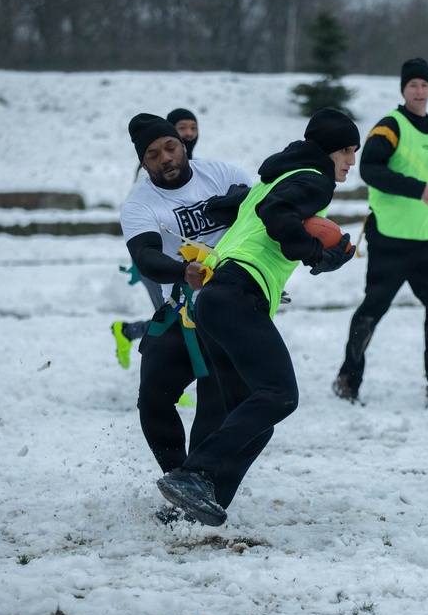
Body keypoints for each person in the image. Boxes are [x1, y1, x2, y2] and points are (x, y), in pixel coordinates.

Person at [156, 108, 359, 526]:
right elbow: (279, 216)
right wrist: (319, 252)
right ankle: (192, 475)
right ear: (327, 150)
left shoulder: (272, 178)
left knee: (254, 419)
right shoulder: (314, 179)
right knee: (279, 395)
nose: (350, 161)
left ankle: (189, 512)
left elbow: (231, 208)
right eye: (346, 150)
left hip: (215, 296)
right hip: (237, 294)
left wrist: (318, 257)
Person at [121, 112, 251, 524]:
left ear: (183, 142)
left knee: (215, 403)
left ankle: (202, 488)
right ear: (143, 163)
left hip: (232, 306)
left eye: (170, 147)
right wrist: (183, 271)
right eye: (153, 154)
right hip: (179, 310)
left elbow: (259, 214)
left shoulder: (223, 173)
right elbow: (144, 256)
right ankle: (181, 482)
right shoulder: (140, 203)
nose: (165, 158)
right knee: (152, 399)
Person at [332, 57, 428, 408]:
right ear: (403, 89)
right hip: (390, 238)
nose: (420, 91)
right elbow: (369, 168)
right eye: (413, 85)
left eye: (425, 85)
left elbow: (424, 174)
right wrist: (415, 189)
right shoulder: (389, 126)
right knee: (373, 309)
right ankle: (347, 379)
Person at [111, 107, 202, 368]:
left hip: (190, 260)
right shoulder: (150, 175)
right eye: (182, 127)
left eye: (193, 127)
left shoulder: (198, 170)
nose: (189, 132)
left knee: (186, 319)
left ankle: (130, 333)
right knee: (174, 320)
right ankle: (164, 376)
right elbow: (138, 215)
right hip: (160, 261)